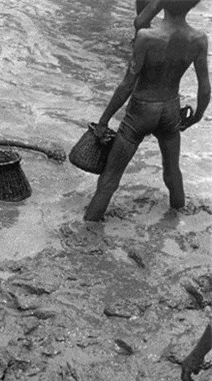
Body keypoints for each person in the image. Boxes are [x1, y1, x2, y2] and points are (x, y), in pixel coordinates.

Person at [84, 0, 209, 221]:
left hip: (141, 111)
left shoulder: (146, 38)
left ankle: (90, 225)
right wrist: (197, 116)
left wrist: (104, 120)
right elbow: (205, 88)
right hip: (170, 109)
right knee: (173, 172)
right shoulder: (198, 39)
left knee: (110, 176)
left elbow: (126, 85)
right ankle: (177, 216)